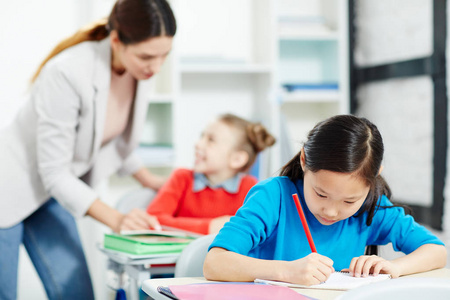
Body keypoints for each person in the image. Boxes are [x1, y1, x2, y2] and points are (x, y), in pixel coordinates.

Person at [0, 0, 176, 299]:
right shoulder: (67, 73)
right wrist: (118, 220)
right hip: (9, 188)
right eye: (147, 56)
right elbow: (55, 171)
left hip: (51, 193)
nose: (156, 67)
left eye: (164, 56)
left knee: (76, 292)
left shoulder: (139, 71)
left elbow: (112, 138)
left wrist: (150, 181)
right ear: (117, 39)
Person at [203, 115, 447, 286]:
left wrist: (395, 267)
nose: (331, 211)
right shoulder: (272, 197)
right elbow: (215, 263)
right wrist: (286, 271)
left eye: (349, 201)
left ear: (375, 177)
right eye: (321, 194)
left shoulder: (372, 206)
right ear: (303, 161)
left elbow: (437, 251)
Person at [146, 113, 276, 234]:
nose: (198, 144)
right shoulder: (181, 178)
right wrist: (210, 226)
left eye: (211, 140)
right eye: (202, 136)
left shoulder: (250, 187)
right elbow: (152, 220)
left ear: (237, 159)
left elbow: (258, 230)